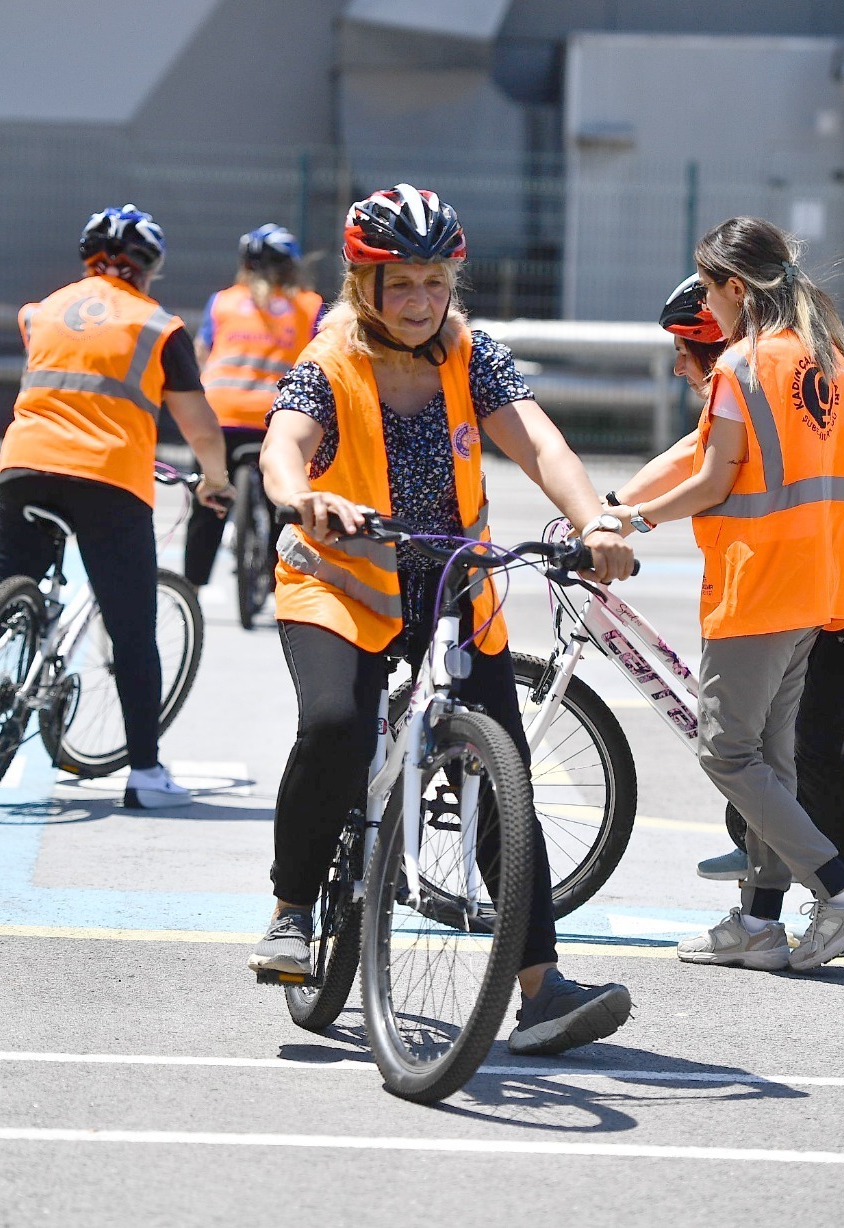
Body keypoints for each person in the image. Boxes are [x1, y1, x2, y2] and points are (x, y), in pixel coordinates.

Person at [253, 184, 635, 1055]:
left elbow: (537, 441)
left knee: (506, 772)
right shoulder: (331, 360)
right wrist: (299, 497)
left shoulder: (472, 354)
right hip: (340, 584)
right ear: (364, 284)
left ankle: (540, 991)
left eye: (437, 281)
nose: (424, 302)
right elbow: (283, 443)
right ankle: (290, 908)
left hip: (454, 585)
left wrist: (596, 520)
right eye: (404, 283)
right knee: (338, 725)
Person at [618, 268, 844, 970]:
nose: (678, 363)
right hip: (817, 585)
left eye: (685, 345)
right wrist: (610, 506)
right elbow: (695, 457)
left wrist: (624, 516)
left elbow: (705, 473)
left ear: (722, 318)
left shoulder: (761, 374)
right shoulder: (788, 369)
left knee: (812, 747)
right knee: (774, 751)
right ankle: (761, 918)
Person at [0, 205, 234, 807]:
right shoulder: (158, 327)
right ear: (149, 268)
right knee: (131, 625)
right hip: (109, 478)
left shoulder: (42, 311)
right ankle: (146, 775)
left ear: (88, 258)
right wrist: (214, 480)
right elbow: (202, 429)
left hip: (26, 467)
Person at [183, 224, 324, 588]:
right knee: (284, 499)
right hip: (277, 418)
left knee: (207, 501)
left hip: (220, 415)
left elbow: (201, 354)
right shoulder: (310, 307)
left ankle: (191, 586)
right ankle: (281, 582)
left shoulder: (223, 301)